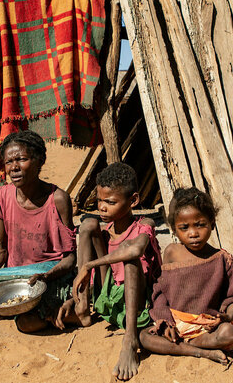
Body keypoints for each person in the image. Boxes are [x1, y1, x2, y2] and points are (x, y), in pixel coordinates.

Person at [0, 130, 79, 332]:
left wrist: (46, 277)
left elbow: (70, 258)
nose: (14, 167)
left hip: (48, 277)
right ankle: (12, 310)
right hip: (13, 279)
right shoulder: (1, 197)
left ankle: (23, 313)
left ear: (39, 161)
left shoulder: (58, 199)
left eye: (22, 159)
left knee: (26, 324)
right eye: (9, 162)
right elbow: (1, 252)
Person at [59, 162, 161, 381]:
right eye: (99, 201)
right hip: (108, 297)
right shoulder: (106, 230)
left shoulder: (146, 224)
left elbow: (135, 249)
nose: (102, 207)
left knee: (130, 257)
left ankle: (130, 340)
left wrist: (87, 266)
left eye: (110, 202)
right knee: (87, 225)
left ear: (133, 200)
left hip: (136, 302)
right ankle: (82, 305)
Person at [139, 187, 233, 366]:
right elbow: (161, 291)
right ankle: (200, 352)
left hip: (207, 326)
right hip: (176, 324)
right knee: (144, 337)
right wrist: (165, 322)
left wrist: (227, 316)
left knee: (229, 334)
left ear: (212, 222)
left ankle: (190, 345)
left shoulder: (220, 258)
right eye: (184, 227)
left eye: (200, 224)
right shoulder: (171, 252)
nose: (193, 233)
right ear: (174, 229)